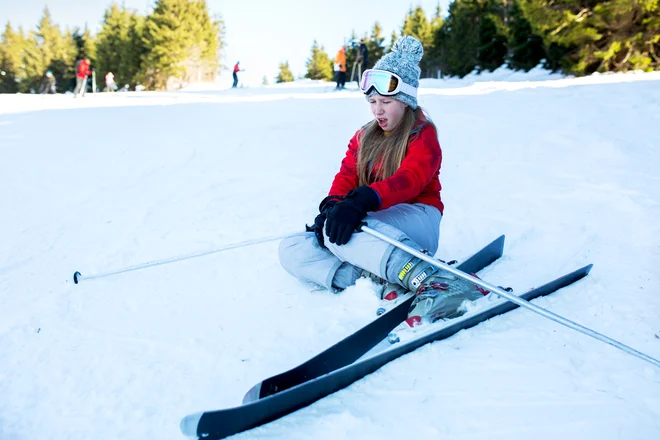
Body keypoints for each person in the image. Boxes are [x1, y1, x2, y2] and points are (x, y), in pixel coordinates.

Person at [279, 36, 486, 326]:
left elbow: (410, 180)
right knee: (292, 248)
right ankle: (378, 279)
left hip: (418, 220)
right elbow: (347, 174)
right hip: (377, 226)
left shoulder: (422, 134)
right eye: (373, 101)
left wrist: (363, 200)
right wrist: (333, 208)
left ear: (406, 101)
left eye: (386, 102)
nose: (377, 110)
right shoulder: (364, 136)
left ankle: (436, 279)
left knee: (351, 230)